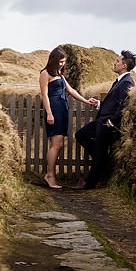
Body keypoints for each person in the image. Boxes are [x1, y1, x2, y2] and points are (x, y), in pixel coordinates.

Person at [72, 50, 136, 190]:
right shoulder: (119, 81)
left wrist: (111, 121)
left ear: (124, 65)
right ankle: (104, 162)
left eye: (118, 61)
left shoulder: (127, 82)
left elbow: (123, 105)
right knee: (80, 135)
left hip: (107, 122)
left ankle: (89, 183)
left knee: (100, 151)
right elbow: (113, 102)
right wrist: (99, 104)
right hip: (102, 119)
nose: (115, 63)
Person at [38, 46, 98, 189]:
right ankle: (49, 176)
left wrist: (85, 101)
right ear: (53, 59)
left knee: (59, 144)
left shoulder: (60, 74)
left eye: (64, 62)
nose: (62, 64)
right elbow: (44, 95)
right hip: (54, 110)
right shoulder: (45, 74)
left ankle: (51, 175)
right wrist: (50, 113)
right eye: (60, 61)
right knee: (56, 144)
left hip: (63, 110)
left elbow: (71, 90)